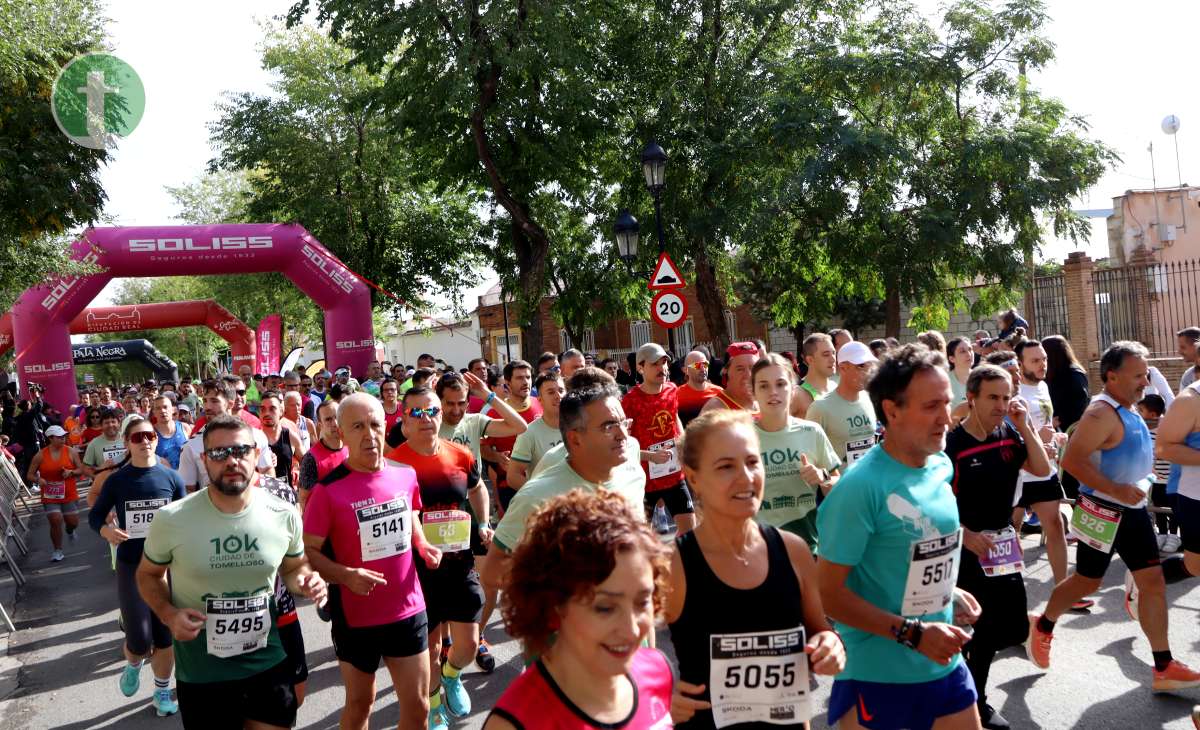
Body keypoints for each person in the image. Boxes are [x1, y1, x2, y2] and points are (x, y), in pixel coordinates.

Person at [817, 344, 983, 730]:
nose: (947, 416)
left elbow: (912, 550)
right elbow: (827, 593)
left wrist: (947, 591)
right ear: (891, 411)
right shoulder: (860, 489)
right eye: (931, 407)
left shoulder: (939, 465)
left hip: (943, 665)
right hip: (878, 674)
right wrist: (912, 632)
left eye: (947, 402)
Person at [136, 414, 328, 729]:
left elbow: (294, 567)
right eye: (219, 453)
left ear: (255, 454)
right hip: (202, 673)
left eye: (240, 451)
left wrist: (307, 580)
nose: (231, 460)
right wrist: (169, 614)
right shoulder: (172, 519)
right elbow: (147, 575)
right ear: (204, 460)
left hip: (268, 661)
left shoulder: (282, 513)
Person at [1028, 342, 1200, 690]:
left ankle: (1163, 666)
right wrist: (1117, 490)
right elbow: (1072, 463)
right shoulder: (1100, 413)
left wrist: (1139, 481)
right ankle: (1043, 625)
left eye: (1145, 372)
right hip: (1102, 512)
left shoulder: (1129, 408)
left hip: (1133, 512)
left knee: (1151, 582)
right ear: (1111, 376)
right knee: (1087, 581)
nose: (1145, 380)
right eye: (1137, 374)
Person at [668, 410, 846, 729]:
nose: (746, 477)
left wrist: (831, 647)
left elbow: (821, 631)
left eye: (752, 462)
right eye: (726, 467)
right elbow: (616, 651)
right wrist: (658, 692)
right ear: (693, 478)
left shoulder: (793, 550)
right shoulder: (674, 564)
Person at [302, 394, 444, 730]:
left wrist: (422, 544)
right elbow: (308, 553)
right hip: (356, 617)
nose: (369, 434)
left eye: (375, 424)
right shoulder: (327, 490)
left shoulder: (405, 474)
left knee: (419, 705)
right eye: (358, 426)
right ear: (342, 432)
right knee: (360, 704)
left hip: (407, 609)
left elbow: (410, 515)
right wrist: (345, 575)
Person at [486, 490, 675, 730]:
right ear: (555, 603)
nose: (631, 628)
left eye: (643, 601)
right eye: (605, 608)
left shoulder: (658, 671)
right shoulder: (516, 723)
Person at [945, 365, 1051, 729]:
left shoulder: (1009, 432)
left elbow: (1041, 467)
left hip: (1002, 546)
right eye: (993, 397)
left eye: (1006, 397)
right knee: (977, 630)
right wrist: (964, 535)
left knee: (1007, 629)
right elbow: (933, 505)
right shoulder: (953, 446)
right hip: (964, 549)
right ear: (971, 398)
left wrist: (1025, 426)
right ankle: (972, 702)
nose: (1002, 405)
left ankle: (967, 694)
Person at [480, 384, 646, 607]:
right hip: (570, 636)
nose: (622, 434)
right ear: (575, 439)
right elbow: (492, 570)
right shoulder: (538, 495)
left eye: (623, 423)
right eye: (608, 426)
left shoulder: (632, 469)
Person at [386, 387, 492, 729]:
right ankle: (433, 708)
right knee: (429, 649)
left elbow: (477, 489)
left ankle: (451, 676)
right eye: (416, 413)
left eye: (431, 411)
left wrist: (484, 522)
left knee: (468, 644)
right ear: (404, 421)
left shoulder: (460, 455)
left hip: (459, 563)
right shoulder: (394, 464)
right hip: (415, 572)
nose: (426, 419)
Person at [89, 415, 186, 716]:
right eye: (137, 437)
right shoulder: (117, 480)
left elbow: (183, 520)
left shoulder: (171, 478)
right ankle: (133, 662)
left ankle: (161, 692)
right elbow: (95, 516)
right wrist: (106, 530)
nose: (145, 441)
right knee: (140, 638)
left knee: (164, 634)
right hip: (132, 565)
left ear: (156, 440)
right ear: (127, 444)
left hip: (166, 568)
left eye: (149, 436)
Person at [752, 353, 841, 552]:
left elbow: (837, 486)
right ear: (754, 392)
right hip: (759, 550)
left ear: (793, 390)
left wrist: (823, 476)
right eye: (764, 385)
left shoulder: (812, 432)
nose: (773, 392)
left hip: (808, 547)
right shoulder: (742, 437)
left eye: (781, 384)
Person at [1012, 340, 1074, 601]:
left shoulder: (1043, 386)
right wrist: (1038, 438)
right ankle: (1011, 591)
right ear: (1020, 364)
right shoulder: (1012, 392)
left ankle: (1064, 590)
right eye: (1035, 360)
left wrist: (1055, 437)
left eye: (1044, 359)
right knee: (1010, 530)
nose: (1042, 364)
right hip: (1018, 471)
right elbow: (1008, 430)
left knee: (1056, 524)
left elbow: (1046, 424)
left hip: (1043, 470)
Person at [623, 342, 696, 534]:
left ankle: (680, 563)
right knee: (640, 538)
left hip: (673, 475)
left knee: (690, 531)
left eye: (664, 363)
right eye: (654, 364)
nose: (661, 368)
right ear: (640, 367)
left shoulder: (672, 390)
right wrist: (650, 456)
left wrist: (683, 440)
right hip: (644, 480)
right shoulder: (630, 401)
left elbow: (674, 418)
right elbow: (624, 445)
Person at [178, 378, 274, 492]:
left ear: (230, 403)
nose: (207, 407)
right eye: (205, 401)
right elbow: (188, 490)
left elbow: (268, 472)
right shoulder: (192, 446)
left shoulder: (256, 436)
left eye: (214, 401)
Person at [481, 360, 544, 514]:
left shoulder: (541, 404)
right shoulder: (495, 413)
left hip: (542, 482)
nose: (526, 382)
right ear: (507, 383)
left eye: (528, 377)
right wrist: (496, 457)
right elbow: (483, 447)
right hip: (510, 487)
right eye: (519, 378)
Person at [807, 341, 879, 471]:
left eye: (869, 366)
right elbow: (809, 458)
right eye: (861, 366)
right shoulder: (820, 407)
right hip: (839, 488)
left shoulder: (869, 399)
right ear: (843, 367)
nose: (867, 372)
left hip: (870, 486)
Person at [28, 424, 85, 561]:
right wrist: (38, 479)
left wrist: (71, 472)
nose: (63, 439)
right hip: (50, 494)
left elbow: (81, 470)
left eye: (64, 436)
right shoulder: (40, 455)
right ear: (51, 438)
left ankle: (70, 531)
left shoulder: (71, 451)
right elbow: (29, 475)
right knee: (55, 520)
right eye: (59, 437)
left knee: (73, 522)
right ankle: (57, 550)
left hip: (69, 493)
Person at [507, 371, 564, 489]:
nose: (558, 396)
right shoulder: (529, 433)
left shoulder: (579, 427)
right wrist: (541, 494)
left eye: (561, 391)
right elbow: (513, 477)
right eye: (551, 392)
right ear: (540, 399)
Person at [260, 391, 306, 487]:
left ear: (281, 411)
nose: (267, 413)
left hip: (285, 497)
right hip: (260, 497)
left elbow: (308, 464)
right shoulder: (254, 438)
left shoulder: (290, 436)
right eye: (263, 409)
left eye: (272, 409)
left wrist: (302, 487)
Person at [702, 341, 760, 413]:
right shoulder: (715, 410)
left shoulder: (764, 402)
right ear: (725, 371)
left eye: (753, 368)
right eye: (740, 369)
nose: (748, 375)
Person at [793, 334, 838, 419]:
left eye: (833, 353)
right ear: (810, 360)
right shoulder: (797, 394)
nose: (833, 359)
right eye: (826, 354)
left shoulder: (835, 386)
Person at [677, 349, 724, 427]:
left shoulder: (719, 393)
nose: (703, 369)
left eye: (705, 365)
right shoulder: (676, 395)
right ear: (686, 370)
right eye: (697, 365)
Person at [82, 408, 127, 478]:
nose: (110, 425)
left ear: (119, 424)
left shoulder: (128, 439)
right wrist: (99, 479)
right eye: (106, 423)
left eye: (113, 422)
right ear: (101, 426)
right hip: (107, 486)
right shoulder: (94, 443)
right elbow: (86, 468)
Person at [151, 395, 190, 470]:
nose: (162, 411)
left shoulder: (185, 427)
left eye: (165, 407)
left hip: (187, 479)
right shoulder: (150, 433)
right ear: (154, 412)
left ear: (172, 410)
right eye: (158, 408)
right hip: (164, 479)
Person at [947, 337, 973, 407]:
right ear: (952, 359)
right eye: (962, 351)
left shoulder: (982, 378)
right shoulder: (944, 382)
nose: (969, 354)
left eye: (970, 349)